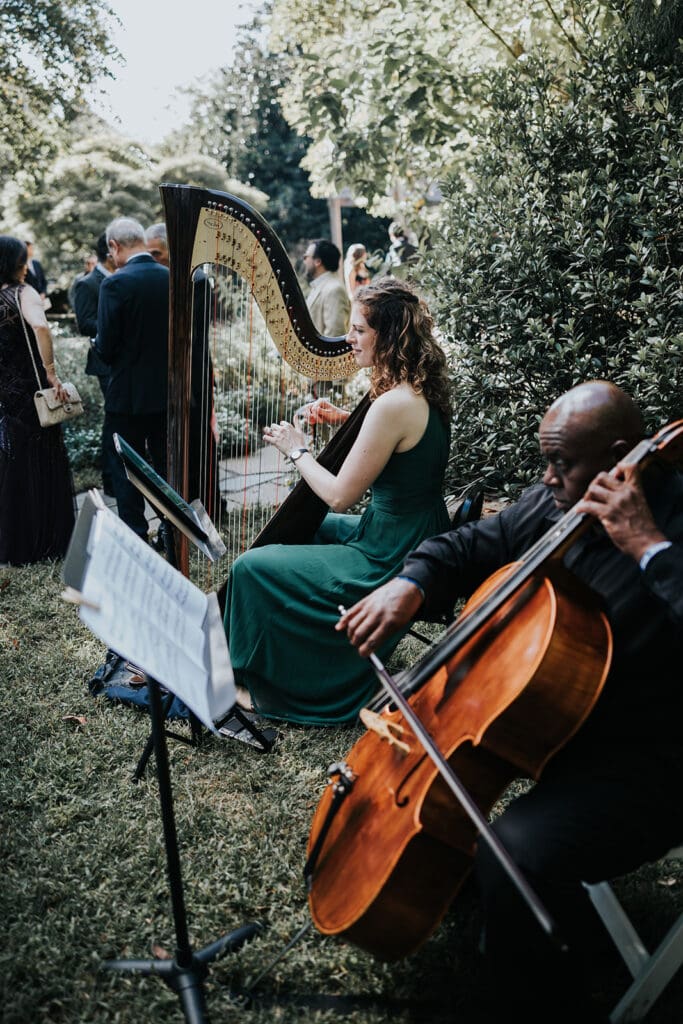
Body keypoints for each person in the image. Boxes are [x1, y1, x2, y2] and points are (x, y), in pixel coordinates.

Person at [338, 380, 683, 1023]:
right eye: (546, 461)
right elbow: (473, 543)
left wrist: (647, 547)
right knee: (479, 842)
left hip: (651, 761)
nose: (547, 478)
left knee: (515, 849)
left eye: (562, 463)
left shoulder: (675, 523)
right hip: (562, 732)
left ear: (616, 459)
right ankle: (509, 916)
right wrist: (412, 584)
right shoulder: (558, 504)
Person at [224, 277, 452, 725]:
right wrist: (344, 419)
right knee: (303, 527)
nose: (348, 339)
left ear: (389, 336)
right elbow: (402, 445)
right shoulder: (416, 388)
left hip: (392, 552)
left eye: (359, 330)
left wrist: (297, 450)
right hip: (413, 530)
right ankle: (295, 650)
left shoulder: (391, 404)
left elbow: (340, 496)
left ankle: (276, 683)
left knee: (250, 566)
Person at [0, 235, 75, 565]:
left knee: (13, 459)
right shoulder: (23, 292)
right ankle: (46, 540)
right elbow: (41, 327)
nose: (27, 266)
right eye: (23, 260)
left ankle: (16, 542)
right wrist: (51, 372)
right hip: (32, 390)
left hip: (6, 392)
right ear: (16, 262)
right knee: (42, 456)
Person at [94, 217, 169, 540]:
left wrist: (96, 344)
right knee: (166, 465)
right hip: (166, 393)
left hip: (127, 397)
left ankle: (136, 535)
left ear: (114, 246)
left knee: (125, 467)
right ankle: (172, 529)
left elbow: (106, 349)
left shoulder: (115, 284)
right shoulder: (171, 277)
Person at [144, 222, 223, 520]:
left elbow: (193, 336)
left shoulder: (198, 281)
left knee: (198, 440)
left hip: (194, 371)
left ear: (173, 251)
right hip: (170, 371)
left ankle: (207, 504)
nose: (153, 260)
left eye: (157, 253)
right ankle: (183, 502)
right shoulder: (162, 280)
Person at [72, 233, 116, 495]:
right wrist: (117, 323)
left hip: (125, 358)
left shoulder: (121, 278)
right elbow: (84, 323)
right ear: (110, 252)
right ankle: (110, 478)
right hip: (104, 361)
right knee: (114, 418)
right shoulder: (87, 284)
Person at [303, 239, 351, 337]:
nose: (304, 261)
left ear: (318, 261)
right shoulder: (319, 286)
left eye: (306, 257)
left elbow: (335, 334)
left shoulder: (334, 289)